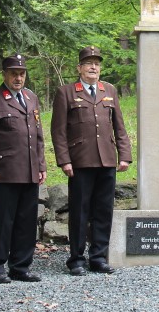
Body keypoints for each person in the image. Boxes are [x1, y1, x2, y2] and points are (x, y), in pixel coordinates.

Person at [50, 47, 132, 275]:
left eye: (96, 63)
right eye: (88, 63)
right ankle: (76, 259)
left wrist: (124, 155)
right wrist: (64, 160)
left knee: (104, 211)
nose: (93, 67)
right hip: (80, 161)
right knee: (79, 211)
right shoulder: (66, 92)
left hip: (106, 160)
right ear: (79, 68)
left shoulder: (109, 91)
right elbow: (58, 131)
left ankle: (98, 257)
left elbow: (119, 127)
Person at [0, 54, 47, 283]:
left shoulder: (31, 98)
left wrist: (41, 165)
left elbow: (38, 136)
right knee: (2, 221)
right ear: (4, 74)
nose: (18, 78)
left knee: (27, 221)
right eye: (14, 73)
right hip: (4, 171)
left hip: (29, 170)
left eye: (22, 73)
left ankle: (21, 266)